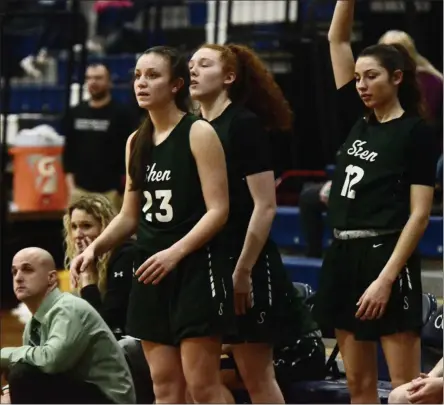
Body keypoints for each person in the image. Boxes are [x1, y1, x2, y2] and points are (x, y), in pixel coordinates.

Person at [70, 45, 234, 404]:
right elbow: (130, 216)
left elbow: (219, 211)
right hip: (149, 270)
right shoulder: (136, 141)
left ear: (176, 85)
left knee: (202, 387)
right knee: (163, 387)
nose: (141, 83)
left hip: (194, 268)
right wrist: (96, 247)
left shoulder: (199, 133)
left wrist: (174, 253)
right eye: (137, 76)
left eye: (152, 75)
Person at [313, 0, 439, 403]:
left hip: (386, 253)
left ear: (398, 77)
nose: (361, 85)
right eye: (357, 77)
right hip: (343, 254)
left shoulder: (416, 132)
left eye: (371, 77)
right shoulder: (358, 117)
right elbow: (336, 38)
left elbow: (419, 216)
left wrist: (385, 279)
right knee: (358, 386)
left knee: (408, 390)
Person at [189, 43, 318, 404]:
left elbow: (266, 206)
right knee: (199, 380)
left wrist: (244, 269)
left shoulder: (243, 125)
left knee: (256, 375)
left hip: (245, 261)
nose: (193, 71)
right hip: (205, 264)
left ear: (229, 77)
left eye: (204, 64)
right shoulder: (193, 128)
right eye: (190, 65)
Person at [0, 247, 135, 404]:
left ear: (51, 278)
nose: (18, 278)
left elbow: (51, 360)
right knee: (21, 371)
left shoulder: (68, 308)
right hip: (80, 391)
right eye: (14, 272)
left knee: (22, 374)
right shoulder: (34, 323)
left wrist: (5, 354)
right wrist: (7, 391)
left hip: (109, 399)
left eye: (27, 270)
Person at [62, 63, 139, 211]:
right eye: (89, 78)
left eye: (98, 78)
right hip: (80, 191)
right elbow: (68, 153)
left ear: (109, 81)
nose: (93, 82)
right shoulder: (75, 112)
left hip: (111, 192)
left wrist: (122, 189)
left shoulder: (123, 114)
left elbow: (132, 153)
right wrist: (71, 188)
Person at [65, 194, 134, 339]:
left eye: (86, 226)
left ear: (105, 228)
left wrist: (88, 280)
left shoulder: (126, 254)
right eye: (74, 227)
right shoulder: (85, 260)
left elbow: (107, 327)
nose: (78, 234)